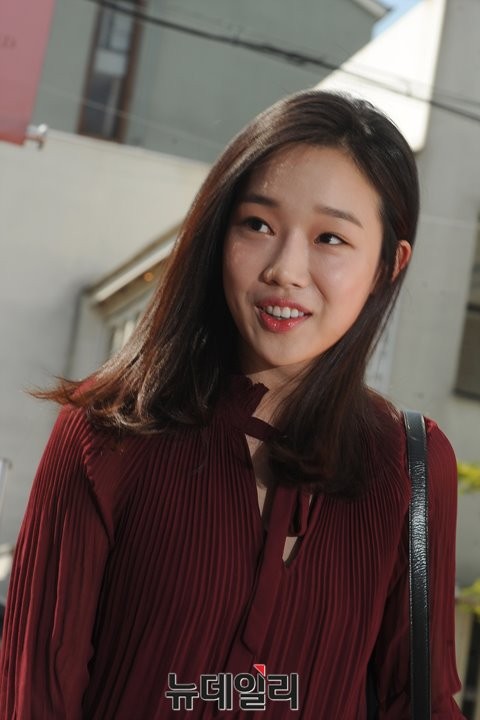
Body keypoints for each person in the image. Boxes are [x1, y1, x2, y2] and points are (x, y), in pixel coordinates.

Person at [0, 90, 465, 719]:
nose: (286, 270)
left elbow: (422, 702)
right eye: (258, 225)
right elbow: (35, 696)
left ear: (390, 264)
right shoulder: (104, 432)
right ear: (219, 231)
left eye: (330, 238)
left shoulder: (410, 464)